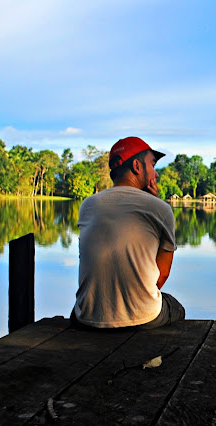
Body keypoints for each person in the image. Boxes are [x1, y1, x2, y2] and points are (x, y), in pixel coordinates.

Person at [71, 136, 185, 329]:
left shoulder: (88, 205)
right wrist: (155, 203)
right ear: (136, 166)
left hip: (87, 317)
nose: (155, 175)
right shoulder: (161, 209)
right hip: (142, 318)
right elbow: (162, 274)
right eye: (152, 165)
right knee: (176, 308)